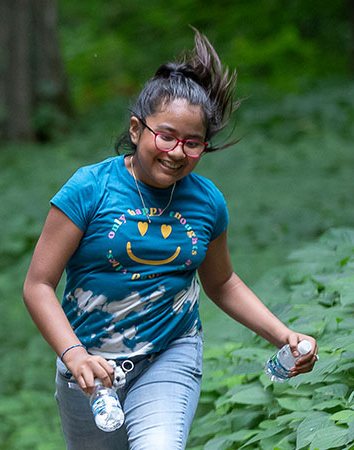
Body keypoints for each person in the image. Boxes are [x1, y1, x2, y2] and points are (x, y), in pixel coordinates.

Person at [19, 29, 318, 449]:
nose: (177, 152)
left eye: (193, 143)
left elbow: (222, 283)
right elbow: (38, 285)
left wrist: (281, 335)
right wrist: (74, 355)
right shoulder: (90, 188)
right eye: (166, 136)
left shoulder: (207, 202)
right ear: (137, 129)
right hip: (89, 367)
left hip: (170, 355)